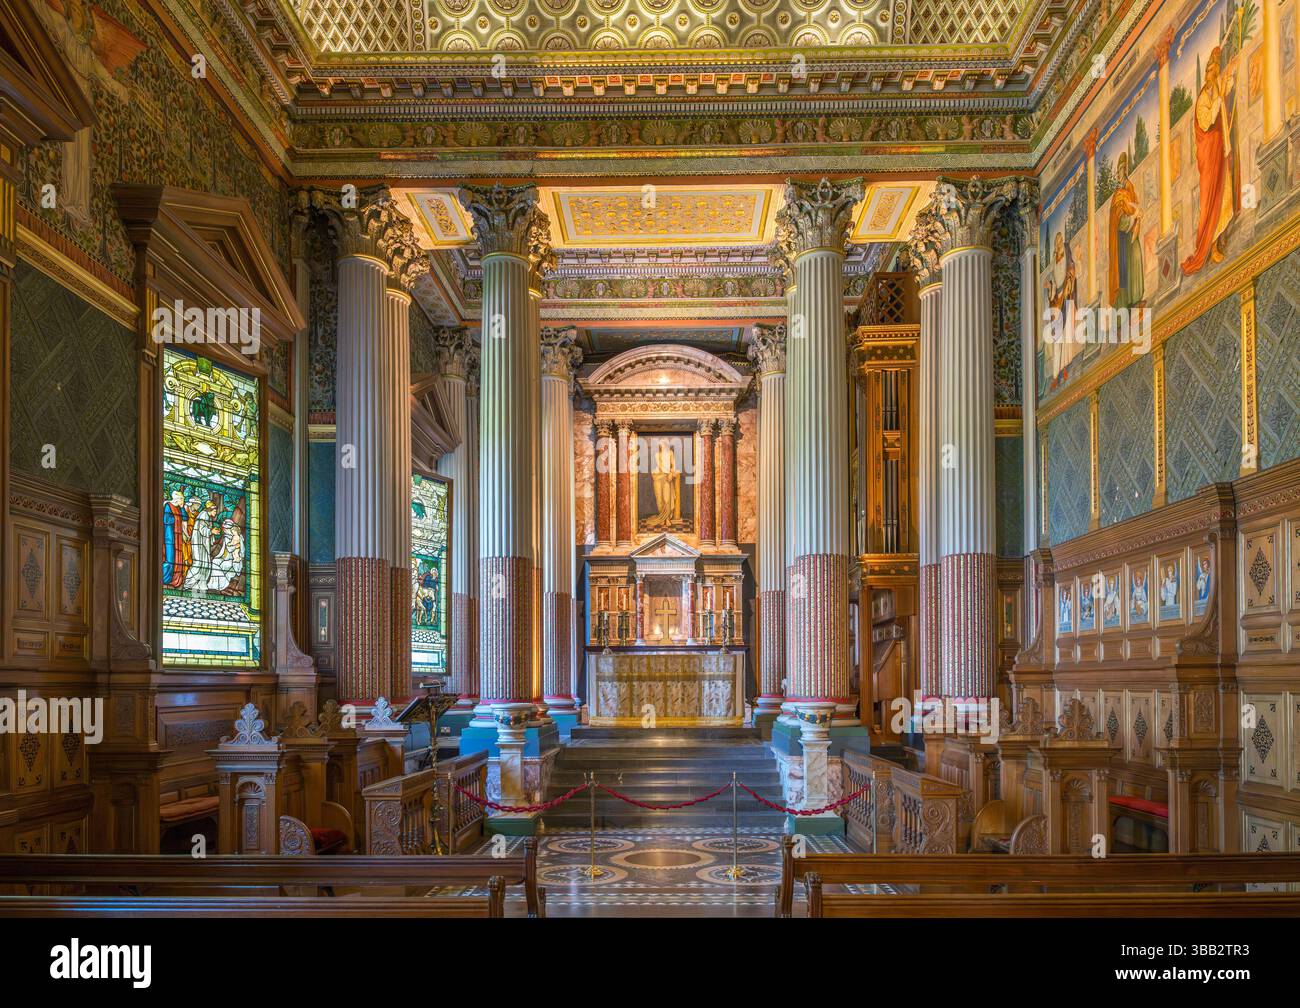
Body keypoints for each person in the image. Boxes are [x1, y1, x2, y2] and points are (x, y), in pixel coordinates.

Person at [1182, 46, 1238, 275]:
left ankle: (1221, 236)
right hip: (1209, 156)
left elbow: (1227, 88)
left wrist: (1231, 70)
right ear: (1206, 74)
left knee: (1224, 194)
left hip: (1220, 150)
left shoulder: (1215, 89)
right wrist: (1219, 97)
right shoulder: (1203, 98)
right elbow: (1206, 122)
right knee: (1211, 201)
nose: (1212, 75)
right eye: (1211, 72)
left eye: (1215, 71)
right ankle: (1211, 245)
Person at [1107, 152, 1145, 310]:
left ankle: (1136, 299)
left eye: (1120, 170)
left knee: (1135, 258)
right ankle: (1124, 306)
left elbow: (1135, 207)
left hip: (1132, 236)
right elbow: (1118, 220)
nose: (1118, 174)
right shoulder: (1117, 196)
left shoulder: (1130, 189)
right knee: (1122, 271)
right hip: (1121, 238)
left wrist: (1137, 217)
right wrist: (1133, 216)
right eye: (1117, 171)